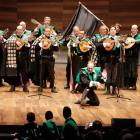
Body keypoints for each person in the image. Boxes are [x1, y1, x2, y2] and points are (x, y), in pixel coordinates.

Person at [0, 25, 30, 92]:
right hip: (14, 56)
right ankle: (13, 86)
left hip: (23, 57)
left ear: (23, 30)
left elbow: (28, 48)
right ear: (16, 30)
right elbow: (7, 44)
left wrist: (27, 44)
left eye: (21, 30)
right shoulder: (12, 37)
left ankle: (25, 86)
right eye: (18, 30)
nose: (19, 31)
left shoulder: (26, 37)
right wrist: (14, 42)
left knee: (24, 72)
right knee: (14, 71)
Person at [30, 26, 59, 93]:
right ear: (44, 32)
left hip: (50, 59)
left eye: (49, 31)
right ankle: (41, 87)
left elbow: (56, 49)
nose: (48, 32)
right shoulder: (40, 38)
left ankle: (52, 87)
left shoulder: (52, 38)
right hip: (42, 58)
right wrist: (42, 44)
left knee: (51, 74)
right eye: (47, 31)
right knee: (41, 74)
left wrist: (54, 44)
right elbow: (35, 47)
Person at [97, 25, 121, 95]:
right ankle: (107, 90)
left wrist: (117, 45)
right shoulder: (105, 39)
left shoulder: (118, 39)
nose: (113, 31)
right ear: (109, 31)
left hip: (115, 59)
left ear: (116, 31)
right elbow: (98, 45)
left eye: (114, 30)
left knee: (114, 74)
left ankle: (114, 90)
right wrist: (104, 45)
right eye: (112, 30)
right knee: (107, 75)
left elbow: (122, 48)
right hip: (107, 59)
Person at [63, 26, 82, 92]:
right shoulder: (71, 38)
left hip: (80, 57)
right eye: (75, 31)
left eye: (77, 31)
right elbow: (64, 43)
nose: (76, 32)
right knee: (70, 70)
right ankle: (69, 84)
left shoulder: (81, 37)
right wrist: (71, 44)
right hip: (72, 57)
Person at [124, 24, 140, 90]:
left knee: (134, 70)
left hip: (135, 56)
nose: (133, 30)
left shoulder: (138, 37)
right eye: (132, 29)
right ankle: (127, 85)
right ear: (131, 29)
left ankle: (134, 85)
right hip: (127, 55)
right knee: (127, 70)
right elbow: (123, 43)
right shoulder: (128, 36)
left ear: (137, 30)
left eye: (135, 29)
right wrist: (125, 43)